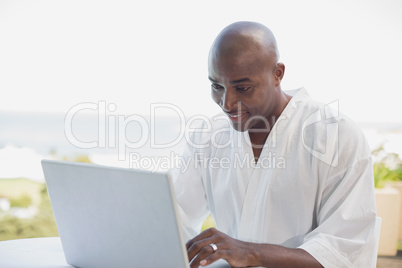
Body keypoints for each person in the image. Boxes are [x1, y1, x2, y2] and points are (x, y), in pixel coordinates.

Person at [171, 21, 377, 268]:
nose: (227, 102)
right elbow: (174, 219)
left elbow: (345, 250)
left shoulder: (335, 135)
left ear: (278, 73)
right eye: (217, 86)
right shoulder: (208, 137)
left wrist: (251, 253)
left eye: (243, 87)